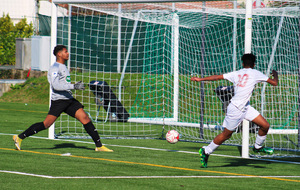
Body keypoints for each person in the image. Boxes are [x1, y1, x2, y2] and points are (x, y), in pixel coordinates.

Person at [13, 45, 113, 152]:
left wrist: (73, 87)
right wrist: (73, 86)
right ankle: (19, 137)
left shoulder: (64, 66)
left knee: (85, 118)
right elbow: (55, 86)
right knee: (46, 124)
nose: (68, 53)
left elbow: (63, 84)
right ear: (59, 54)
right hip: (59, 101)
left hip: (69, 100)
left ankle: (99, 146)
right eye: (65, 52)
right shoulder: (54, 68)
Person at [191, 53, 278, 168]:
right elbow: (274, 83)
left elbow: (217, 77)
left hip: (246, 107)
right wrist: (275, 75)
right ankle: (206, 151)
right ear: (254, 64)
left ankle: (257, 147)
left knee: (265, 125)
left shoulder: (236, 73)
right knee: (226, 135)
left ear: (242, 63)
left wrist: (200, 79)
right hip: (236, 109)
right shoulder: (256, 73)